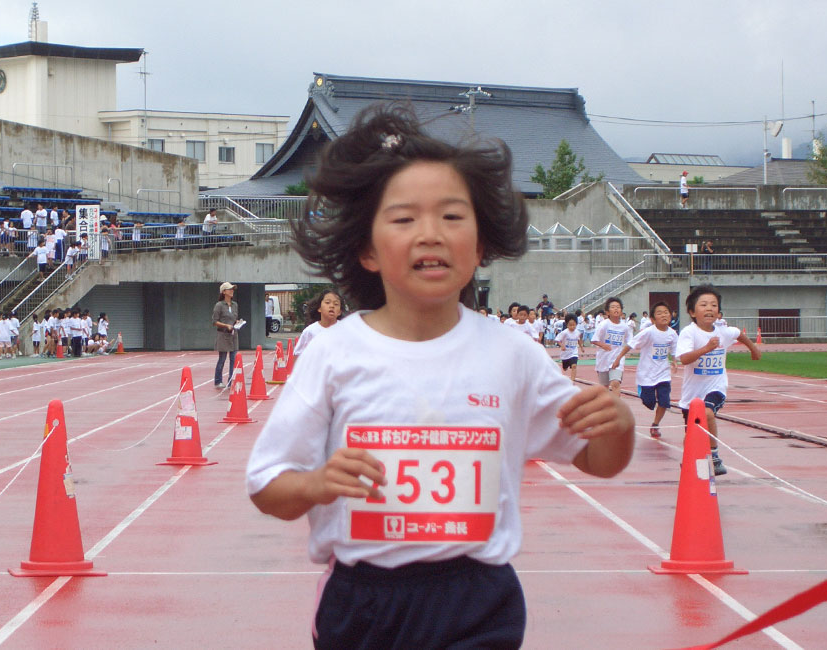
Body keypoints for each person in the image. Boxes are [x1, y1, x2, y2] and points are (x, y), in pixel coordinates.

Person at [245, 104, 634, 648]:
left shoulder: (512, 354)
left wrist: (619, 426)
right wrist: (313, 484)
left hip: (478, 598)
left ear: (479, 245)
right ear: (367, 249)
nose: (430, 234)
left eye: (452, 217)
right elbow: (267, 484)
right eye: (404, 219)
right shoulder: (335, 354)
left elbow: (598, 459)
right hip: (364, 603)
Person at [676, 285, 761, 475]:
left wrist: (754, 349)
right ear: (692, 312)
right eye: (703, 305)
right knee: (691, 433)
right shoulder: (689, 333)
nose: (709, 308)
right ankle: (689, 459)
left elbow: (738, 334)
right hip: (691, 394)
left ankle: (713, 455)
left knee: (707, 414)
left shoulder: (723, 331)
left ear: (719, 312)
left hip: (716, 387)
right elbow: (684, 359)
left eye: (714, 305)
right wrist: (706, 348)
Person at [612, 302, 679, 438]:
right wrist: (618, 358)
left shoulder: (673, 334)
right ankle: (642, 390)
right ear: (653, 319)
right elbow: (630, 345)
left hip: (663, 374)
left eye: (666, 312)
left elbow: (673, 350)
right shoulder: (649, 332)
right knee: (649, 403)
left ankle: (655, 424)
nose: (663, 315)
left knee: (664, 401)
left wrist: (674, 361)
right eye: (659, 313)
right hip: (647, 374)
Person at [591, 296, 632, 393]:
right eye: (613, 307)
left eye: (618, 307)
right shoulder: (604, 324)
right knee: (604, 388)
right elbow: (594, 340)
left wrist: (621, 356)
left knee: (615, 383)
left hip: (617, 360)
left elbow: (631, 342)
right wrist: (603, 345)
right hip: (603, 359)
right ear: (607, 312)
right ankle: (606, 406)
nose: (616, 309)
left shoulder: (625, 327)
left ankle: (615, 407)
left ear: (621, 311)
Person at [291, 289, 345, 359]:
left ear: (340, 312)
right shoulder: (310, 332)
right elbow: (298, 355)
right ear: (319, 308)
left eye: (336, 304)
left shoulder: (346, 330)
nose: (332, 306)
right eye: (327, 302)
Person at [212, 281, 242, 388]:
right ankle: (218, 380)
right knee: (222, 358)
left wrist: (237, 322)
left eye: (233, 289)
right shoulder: (219, 305)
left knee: (234, 359)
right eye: (230, 289)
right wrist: (226, 325)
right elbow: (215, 321)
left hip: (233, 334)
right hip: (223, 335)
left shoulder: (235, 305)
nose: (232, 291)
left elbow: (233, 318)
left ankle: (231, 380)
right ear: (224, 292)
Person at [555, 313, 584, 383]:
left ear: (576, 324)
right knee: (565, 368)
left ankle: (572, 381)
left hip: (574, 352)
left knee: (574, 366)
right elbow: (557, 340)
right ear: (567, 325)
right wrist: (562, 345)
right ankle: (565, 366)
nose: (572, 327)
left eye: (574, 325)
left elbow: (578, 340)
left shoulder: (577, 332)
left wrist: (581, 347)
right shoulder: (564, 333)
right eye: (570, 325)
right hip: (565, 353)